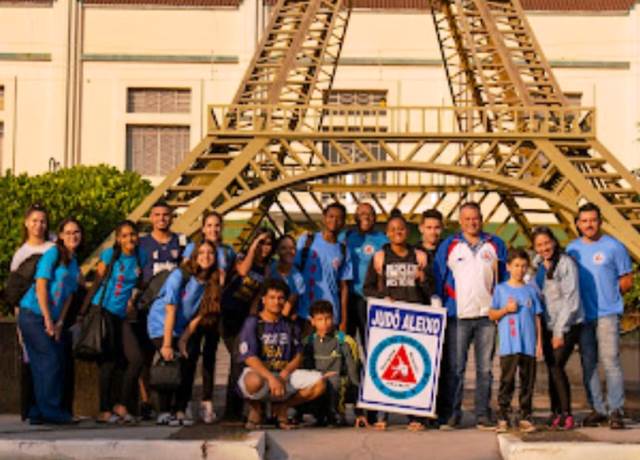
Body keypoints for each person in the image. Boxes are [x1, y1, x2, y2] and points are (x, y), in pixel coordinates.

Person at [434, 201, 507, 430]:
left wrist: (500, 309)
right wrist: (440, 305)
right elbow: (438, 277)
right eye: (466, 219)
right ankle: (452, 414)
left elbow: (504, 280)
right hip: (459, 316)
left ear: (481, 219)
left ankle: (483, 414)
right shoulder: (449, 245)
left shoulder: (496, 244)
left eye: (475, 218)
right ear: (460, 221)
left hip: (487, 316)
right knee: (456, 368)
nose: (471, 222)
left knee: (485, 369)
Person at [363, 213, 434, 431]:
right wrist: (383, 299)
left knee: (413, 366)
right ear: (387, 233)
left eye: (401, 229)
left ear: (408, 231)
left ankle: (415, 416)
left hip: (415, 319)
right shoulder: (380, 257)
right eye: (393, 229)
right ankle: (382, 415)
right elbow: (367, 289)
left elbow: (430, 290)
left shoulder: (419, 257)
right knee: (386, 365)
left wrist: (423, 280)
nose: (397, 233)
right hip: (388, 320)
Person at [567, 203, 633, 430]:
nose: (589, 224)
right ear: (577, 223)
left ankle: (616, 409)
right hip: (582, 316)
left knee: (611, 361)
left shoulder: (614, 247)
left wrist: (610, 297)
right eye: (584, 221)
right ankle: (598, 408)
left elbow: (626, 280)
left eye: (592, 220)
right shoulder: (572, 249)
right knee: (588, 364)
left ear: (600, 221)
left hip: (607, 314)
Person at [236, 279, 326, 429]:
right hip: (262, 375)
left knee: (320, 383)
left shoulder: (290, 325)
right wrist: (271, 378)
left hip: (284, 375)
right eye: (272, 298)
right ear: (263, 300)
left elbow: (298, 356)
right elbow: (249, 357)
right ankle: (257, 408)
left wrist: (284, 374)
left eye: (280, 298)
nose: (276, 302)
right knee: (253, 381)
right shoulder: (253, 322)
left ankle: (282, 407)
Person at [18, 217, 83, 424]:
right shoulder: (53, 253)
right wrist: (47, 318)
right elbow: (41, 285)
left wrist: (60, 321)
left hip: (51, 319)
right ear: (60, 236)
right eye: (68, 232)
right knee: (50, 362)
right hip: (33, 314)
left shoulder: (73, 261)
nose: (73, 236)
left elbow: (69, 295)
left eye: (76, 232)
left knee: (43, 364)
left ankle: (38, 411)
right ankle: (52, 411)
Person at [147, 240, 219, 426]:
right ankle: (164, 411)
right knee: (169, 361)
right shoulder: (180, 275)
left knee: (189, 361)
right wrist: (168, 343)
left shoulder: (212, 280)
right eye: (201, 252)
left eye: (210, 252)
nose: (206, 256)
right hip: (162, 324)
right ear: (194, 256)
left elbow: (200, 314)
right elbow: (170, 309)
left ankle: (180, 409)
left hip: (184, 327)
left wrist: (184, 339)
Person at [182, 211, 237, 424]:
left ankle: (207, 402)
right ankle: (185, 402)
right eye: (209, 225)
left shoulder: (228, 251)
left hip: (216, 311)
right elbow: (186, 272)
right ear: (203, 228)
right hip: (196, 309)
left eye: (217, 226)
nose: (213, 229)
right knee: (191, 355)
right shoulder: (193, 248)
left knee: (210, 358)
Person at [93, 220, 146, 424]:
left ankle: (122, 405)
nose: (129, 239)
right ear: (118, 239)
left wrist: (133, 298)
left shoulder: (139, 256)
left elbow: (141, 283)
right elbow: (97, 282)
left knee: (136, 359)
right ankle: (104, 409)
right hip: (105, 311)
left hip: (122, 316)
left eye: (132, 234)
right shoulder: (110, 255)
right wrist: (84, 311)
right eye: (124, 235)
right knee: (108, 362)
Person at [532, 226, 584, 430]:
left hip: (567, 324)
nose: (544, 247)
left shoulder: (566, 264)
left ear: (554, 241)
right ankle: (556, 413)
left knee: (556, 366)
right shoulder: (537, 266)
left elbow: (572, 301)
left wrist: (559, 332)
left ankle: (566, 413)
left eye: (547, 242)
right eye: (539, 244)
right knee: (552, 367)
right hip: (547, 323)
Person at [221, 228, 275, 419]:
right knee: (238, 359)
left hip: (245, 317)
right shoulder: (242, 257)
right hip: (228, 314)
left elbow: (259, 295)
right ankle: (232, 412)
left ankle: (238, 410)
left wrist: (253, 321)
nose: (264, 247)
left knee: (241, 360)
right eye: (261, 242)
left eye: (268, 243)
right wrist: (255, 244)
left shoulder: (268, 268)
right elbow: (243, 270)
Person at [489, 249, 543, 433]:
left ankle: (525, 415)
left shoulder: (531, 290)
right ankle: (503, 415)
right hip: (509, 345)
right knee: (507, 381)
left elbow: (537, 318)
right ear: (509, 267)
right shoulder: (501, 289)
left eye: (523, 266)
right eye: (516, 266)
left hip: (528, 344)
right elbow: (492, 314)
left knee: (527, 381)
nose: (520, 270)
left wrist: (539, 344)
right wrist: (506, 310)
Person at [10, 204, 55, 421]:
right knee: (33, 364)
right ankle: (32, 410)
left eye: (43, 221)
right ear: (26, 223)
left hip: (53, 313)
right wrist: (19, 324)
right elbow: (15, 292)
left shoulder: (53, 248)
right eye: (34, 220)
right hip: (30, 315)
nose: (38, 225)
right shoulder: (21, 254)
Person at [418, 208, 454, 427]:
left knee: (446, 365)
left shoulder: (450, 251)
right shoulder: (413, 252)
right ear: (421, 228)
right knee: (422, 362)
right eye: (429, 227)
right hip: (421, 314)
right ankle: (421, 411)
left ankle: (443, 411)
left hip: (447, 313)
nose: (433, 232)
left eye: (437, 227)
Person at [295, 202, 353, 332]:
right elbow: (294, 273)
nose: (334, 220)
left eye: (339, 218)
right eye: (331, 216)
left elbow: (344, 287)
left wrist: (343, 320)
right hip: (306, 314)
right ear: (324, 218)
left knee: (328, 352)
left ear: (343, 222)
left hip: (331, 316)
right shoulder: (307, 240)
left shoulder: (343, 250)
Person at [302, 300, 360, 426]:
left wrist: (360, 410)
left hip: (339, 383)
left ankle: (336, 413)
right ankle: (315, 414)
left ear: (333, 318)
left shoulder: (344, 341)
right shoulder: (307, 342)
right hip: (317, 381)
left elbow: (354, 373)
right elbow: (305, 369)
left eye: (328, 318)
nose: (325, 323)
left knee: (334, 380)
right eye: (320, 319)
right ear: (312, 321)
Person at [341, 202, 388, 348]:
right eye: (362, 213)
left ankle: (369, 368)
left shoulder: (383, 239)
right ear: (355, 217)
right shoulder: (346, 236)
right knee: (346, 340)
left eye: (370, 214)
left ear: (375, 218)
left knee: (370, 341)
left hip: (369, 298)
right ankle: (348, 369)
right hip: (347, 296)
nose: (366, 217)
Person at [269, 235, 305, 319]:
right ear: (277, 251)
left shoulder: (298, 278)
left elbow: (287, 309)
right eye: (284, 248)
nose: (288, 251)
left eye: (292, 248)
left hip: (282, 319)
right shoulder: (270, 269)